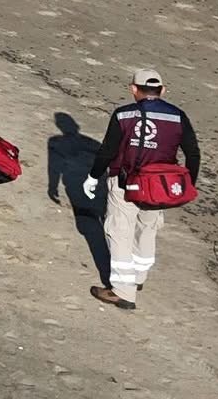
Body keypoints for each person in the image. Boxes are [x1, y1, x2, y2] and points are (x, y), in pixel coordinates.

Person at [87, 67, 201, 311]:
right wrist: (188, 183)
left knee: (120, 233)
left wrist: (93, 175)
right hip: (160, 186)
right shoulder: (177, 116)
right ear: (163, 90)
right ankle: (139, 278)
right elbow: (193, 153)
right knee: (147, 229)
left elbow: (107, 150)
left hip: (125, 183)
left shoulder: (123, 115)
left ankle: (123, 291)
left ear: (133, 89)